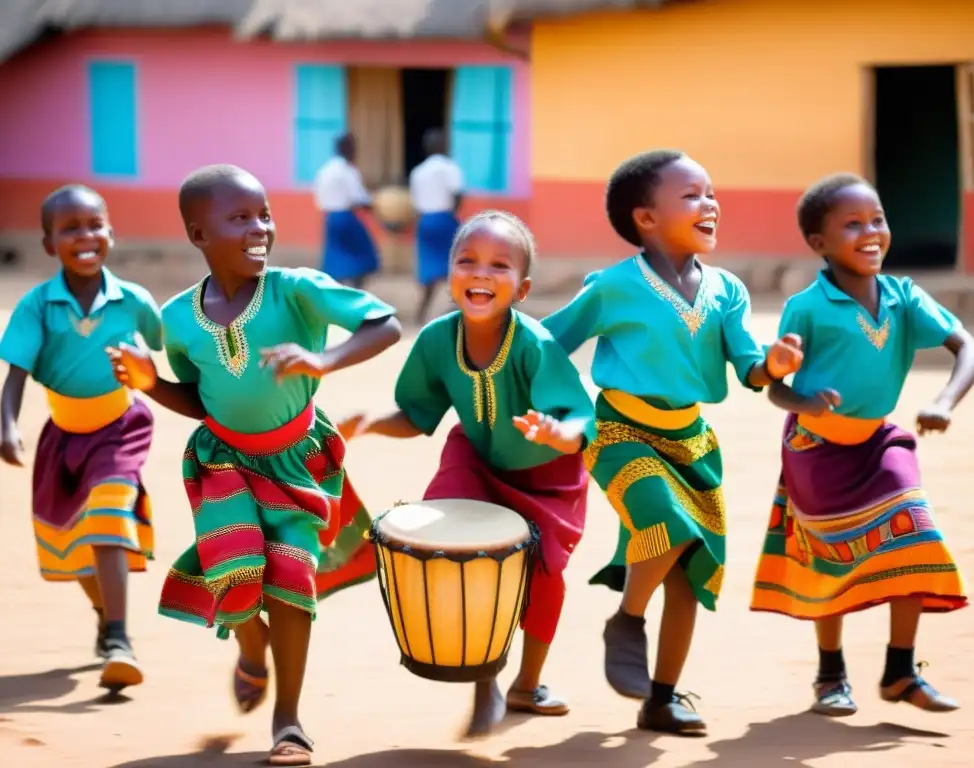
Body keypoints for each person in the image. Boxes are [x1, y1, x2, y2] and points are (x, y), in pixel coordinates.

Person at [107, 164, 401, 766]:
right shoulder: (179, 320)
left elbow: (384, 324)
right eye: (240, 218)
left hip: (300, 462)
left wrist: (325, 361)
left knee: (292, 576)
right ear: (198, 235)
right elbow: (201, 398)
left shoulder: (298, 289)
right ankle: (250, 643)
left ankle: (288, 719)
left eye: (264, 213)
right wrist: (150, 384)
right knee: (235, 565)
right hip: (222, 461)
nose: (259, 227)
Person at [541, 150, 803, 735]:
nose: (709, 203)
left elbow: (749, 369)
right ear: (646, 219)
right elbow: (544, 344)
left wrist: (775, 365)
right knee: (666, 522)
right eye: (690, 195)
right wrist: (559, 410)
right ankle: (627, 619)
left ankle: (662, 698)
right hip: (618, 433)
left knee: (691, 569)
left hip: (692, 441)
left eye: (711, 193)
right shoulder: (611, 287)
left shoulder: (728, 290)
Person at [339, 210, 594, 738]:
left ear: (521, 288)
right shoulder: (436, 340)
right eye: (467, 260)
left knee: (544, 576)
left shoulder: (534, 344)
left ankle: (526, 683)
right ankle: (484, 681)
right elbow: (417, 416)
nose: (481, 272)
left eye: (500, 265)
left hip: (546, 476)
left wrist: (557, 433)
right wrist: (371, 423)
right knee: (460, 548)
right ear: (449, 272)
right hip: (474, 461)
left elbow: (578, 418)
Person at [749, 173, 974, 717]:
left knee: (914, 532)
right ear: (819, 244)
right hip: (816, 450)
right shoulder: (807, 308)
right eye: (852, 225)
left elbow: (968, 347)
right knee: (830, 558)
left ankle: (900, 672)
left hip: (880, 443)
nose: (870, 232)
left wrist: (943, 402)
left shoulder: (904, 297)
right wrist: (804, 403)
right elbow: (775, 388)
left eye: (877, 219)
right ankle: (830, 675)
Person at [0, 184, 162, 693]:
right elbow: (16, 375)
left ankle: (120, 640)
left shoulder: (134, 301)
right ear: (49, 244)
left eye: (95, 225)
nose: (86, 236)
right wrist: (6, 424)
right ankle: (103, 616)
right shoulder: (37, 307)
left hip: (120, 427)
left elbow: (169, 352)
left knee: (109, 511)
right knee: (71, 548)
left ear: (110, 232)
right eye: (70, 229)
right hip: (63, 435)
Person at [409, 128, 463, 325]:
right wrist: (452, 214)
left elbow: (415, 203)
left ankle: (420, 313)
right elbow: (457, 195)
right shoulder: (450, 167)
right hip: (445, 219)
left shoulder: (417, 172)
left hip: (425, 222)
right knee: (460, 263)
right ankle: (460, 306)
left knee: (430, 268)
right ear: (442, 145)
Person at [314, 133, 379, 288]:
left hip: (330, 219)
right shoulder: (347, 170)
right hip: (346, 218)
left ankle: (334, 297)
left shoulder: (324, 170)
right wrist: (375, 206)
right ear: (348, 149)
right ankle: (356, 293)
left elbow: (319, 197)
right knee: (365, 258)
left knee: (335, 261)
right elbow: (359, 198)